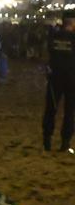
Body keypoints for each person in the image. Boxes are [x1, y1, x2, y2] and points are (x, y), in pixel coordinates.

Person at [46, 13, 75, 154]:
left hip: (55, 78)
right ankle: (65, 142)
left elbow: (47, 54)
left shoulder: (53, 36)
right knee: (70, 112)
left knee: (51, 109)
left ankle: (47, 139)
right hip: (71, 79)